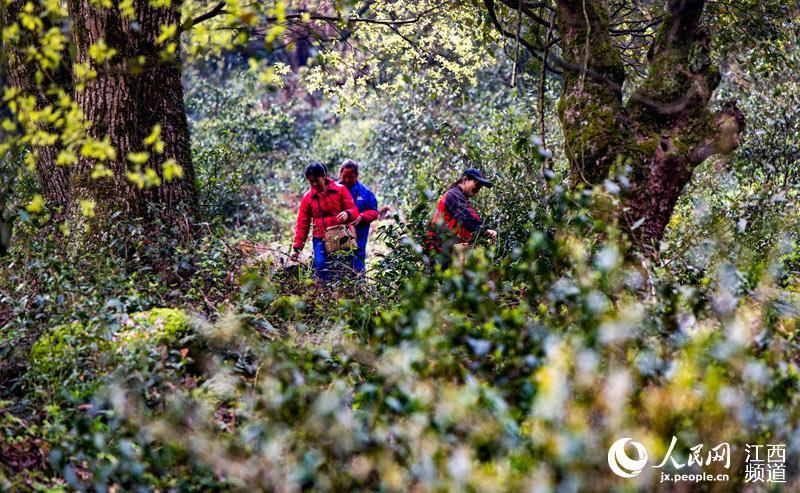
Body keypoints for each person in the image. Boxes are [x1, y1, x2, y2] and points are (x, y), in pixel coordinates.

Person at [290, 162, 359, 282]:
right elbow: (303, 224)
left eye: (317, 180)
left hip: (340, 235)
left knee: (342, 266)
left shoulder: (340, 190)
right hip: (319, 238)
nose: (314, 184)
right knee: (320, 265)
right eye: (311, 181)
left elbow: (353, 210)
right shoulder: (308, 198)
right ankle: (324, 292)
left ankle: (342, 293)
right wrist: (297, 248)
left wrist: (347, 213)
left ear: (324, 176)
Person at [425, 168, 497, 258]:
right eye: (477, 184)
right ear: (465, 179)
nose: (478, 189)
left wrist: (486, 232)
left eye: (480, 187)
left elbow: (473, 218)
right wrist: (485, 230)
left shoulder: (462, 200)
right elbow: (468, 218)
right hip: (438, 250)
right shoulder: (453, 195)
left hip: (446, 250)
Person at [338, 159, 379, 274]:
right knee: (338, 260)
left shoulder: (365, 192)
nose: (346, 180)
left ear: (356, 175)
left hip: (359, 232)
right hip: (338, 232)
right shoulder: (334, 189)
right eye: (344, 176)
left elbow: (374, 211)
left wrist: (362, 217)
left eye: (350, 177)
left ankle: (359, 285)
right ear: (340, 173)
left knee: (357, 259)